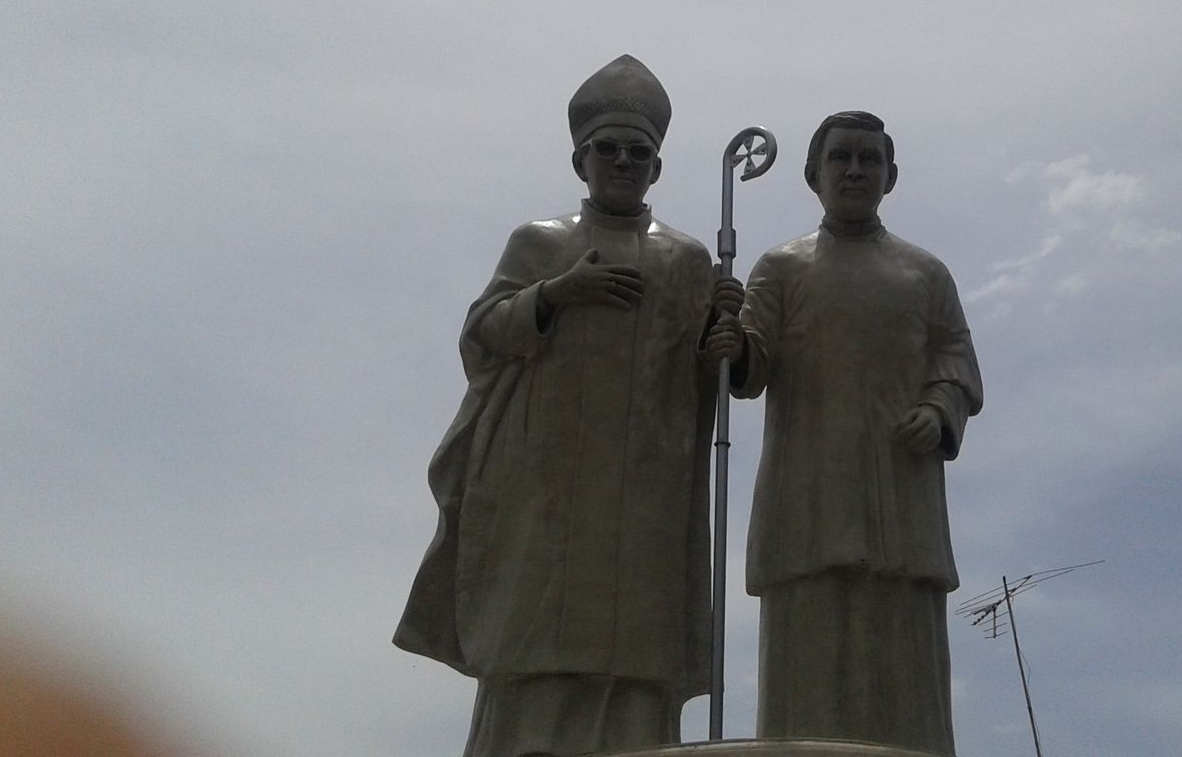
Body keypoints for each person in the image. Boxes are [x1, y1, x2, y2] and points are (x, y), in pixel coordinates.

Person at [394, 55, 727, 757]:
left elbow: (720, 377)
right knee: (537, 654)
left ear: (657, 168)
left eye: (640, 153)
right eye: (609, 150)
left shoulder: (689, 260)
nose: (624, 162)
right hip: (547, 491)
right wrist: (554, 294)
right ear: (582, 160)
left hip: (647, 501)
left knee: (635, 666)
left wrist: (731, 336)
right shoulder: (540, 242)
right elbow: (482, 336)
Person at [707, 110, 983, 755]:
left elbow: (957, 359)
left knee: (905, 664)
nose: (855, 170)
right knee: (810, 671)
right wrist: (732, 344)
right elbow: (752, 366)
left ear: (891, 175)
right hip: (808, 495)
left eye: (869, 159)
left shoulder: (926, 274)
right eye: (841, 158)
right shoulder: (782, 267)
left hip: (901, 493)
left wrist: (941, 408)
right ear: (813, 174)